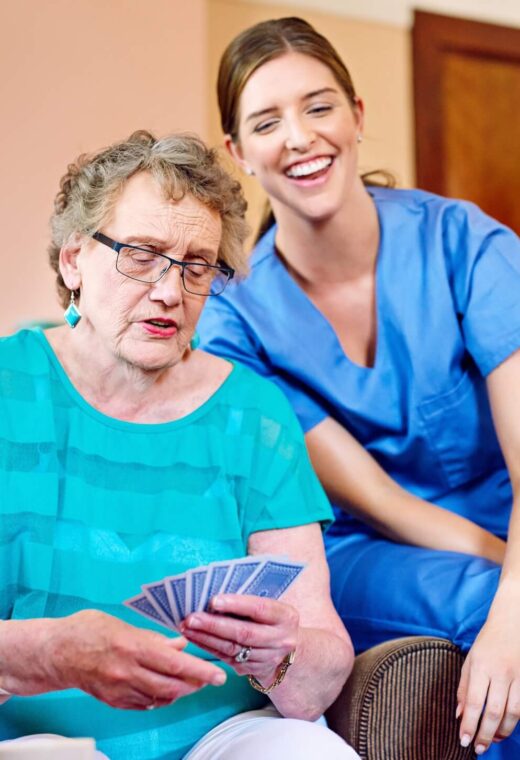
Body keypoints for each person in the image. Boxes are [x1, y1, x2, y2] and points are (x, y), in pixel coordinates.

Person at [197, 16, 520, 759]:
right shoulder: (236, 318)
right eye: (267, 121)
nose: (300, 136)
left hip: (507, 519)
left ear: (357, 116)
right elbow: (382, 500)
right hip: (369, 546)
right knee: (485, 607)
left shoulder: (465, 243)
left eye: (319, 106)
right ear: (238, 152)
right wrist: (512, 590)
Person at [0, 130, 360, 760]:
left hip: (219, 737)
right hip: (31, 738)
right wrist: (49, 652)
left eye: (198, 266)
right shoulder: (10, 385)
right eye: (141, 254)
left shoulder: (255, 414)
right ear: (72, 261)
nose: (171, 291)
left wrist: (284, 652)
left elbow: (320, 673)